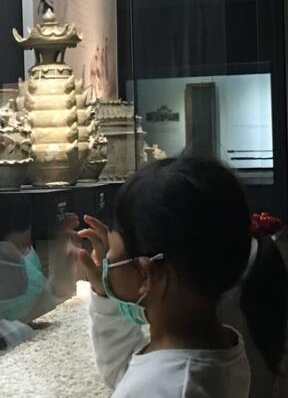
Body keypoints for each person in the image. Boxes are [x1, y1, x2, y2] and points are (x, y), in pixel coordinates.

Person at [72, 156, 288, 397]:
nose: (107, 264)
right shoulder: (217, 346)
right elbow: (131, 373)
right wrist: (105, 294)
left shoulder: (168, 387)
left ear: (145, 273)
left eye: (111, 253)